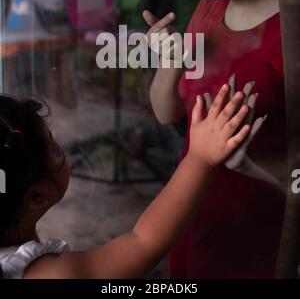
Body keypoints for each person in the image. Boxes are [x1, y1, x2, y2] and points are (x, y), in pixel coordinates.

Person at [143, 0, 287, 278]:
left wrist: (253, 164)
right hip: (193, 225)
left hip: (262, 245)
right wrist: (170, 60)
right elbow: (168, 113)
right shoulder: (211, 7)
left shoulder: (292, 28)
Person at [0, 82, 262, 279]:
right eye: (55, 149)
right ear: (36, 197)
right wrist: (200, 157)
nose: (61, 149)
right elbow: (143, 243)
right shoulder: (48, 275)